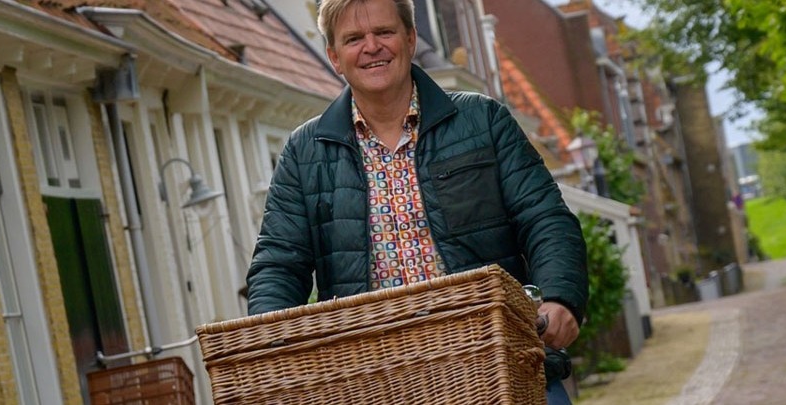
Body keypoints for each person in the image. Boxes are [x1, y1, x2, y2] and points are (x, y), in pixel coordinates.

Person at [243, 0, 589, 403]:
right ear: (334, 58)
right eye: (354, 38)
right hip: (379, 383)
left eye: (384, 32)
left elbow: (545, 218)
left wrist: (560, 296)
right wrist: (269, 344)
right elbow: (279, 262)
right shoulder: (304, 153)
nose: (372, 47)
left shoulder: (484, 121)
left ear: (409, 38)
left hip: (504, 363)